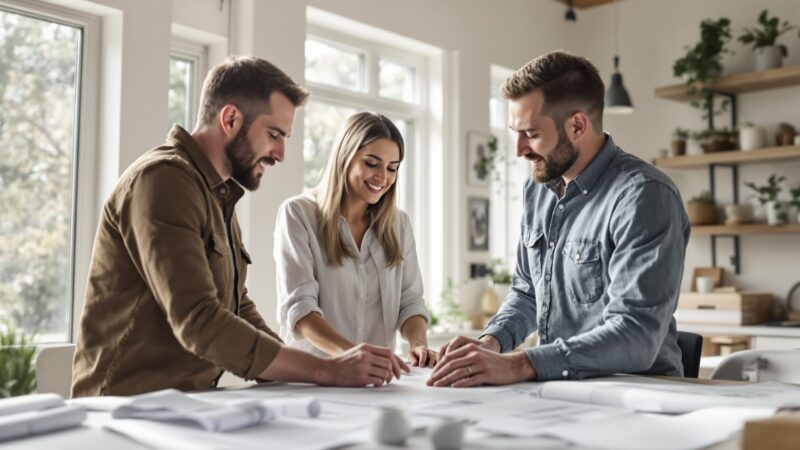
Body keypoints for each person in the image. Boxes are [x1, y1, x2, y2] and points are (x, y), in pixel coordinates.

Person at [71, 57, 405, 398]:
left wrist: (296, 375)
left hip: (188, 403)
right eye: (274, 134)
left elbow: (237, 306)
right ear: (230, 119)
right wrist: (326, 369)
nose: (280, 154)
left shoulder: (217, 194)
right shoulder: (163, 180)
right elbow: (200, 321)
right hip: (123, 410)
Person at [429, 50, 689, 387]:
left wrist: (519, 364)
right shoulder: (537, 189)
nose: (519, 150)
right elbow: (527, 292)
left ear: (577, 125)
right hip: (558, 390)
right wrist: (490, 343)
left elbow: (635, 336)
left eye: (531, 134)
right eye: (515, 133)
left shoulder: (644, 196)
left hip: (639, 392)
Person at [275, 112, 436, 368]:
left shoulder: (399, 224)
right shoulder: (299, 214)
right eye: (372, 163)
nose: (383, 177)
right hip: (313, 377)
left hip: (375, 382)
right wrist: (355, 355)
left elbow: (410, 301)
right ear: (345, 157)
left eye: (392, 168)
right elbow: (300, 309)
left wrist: (418, 344)